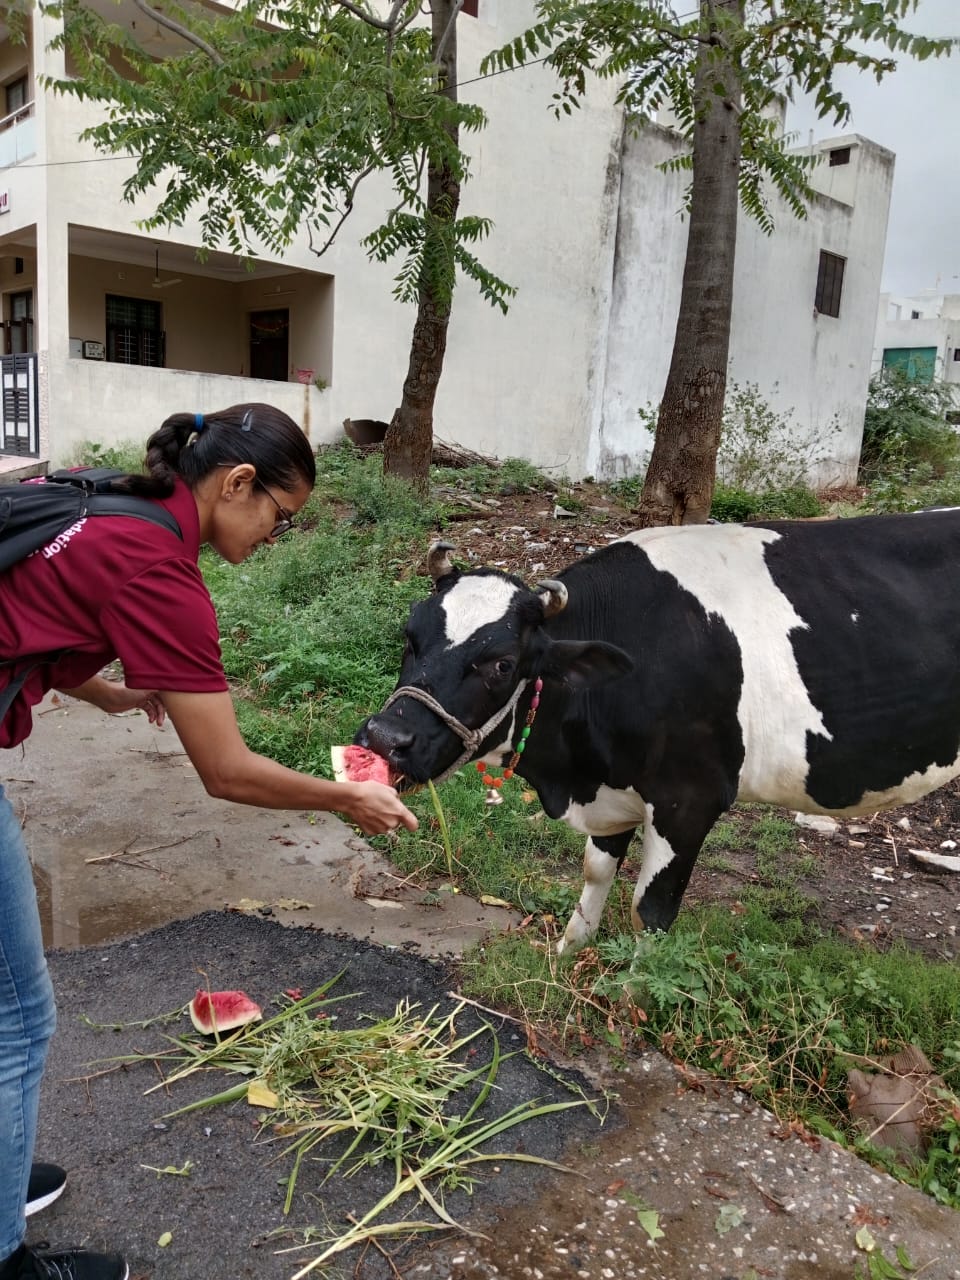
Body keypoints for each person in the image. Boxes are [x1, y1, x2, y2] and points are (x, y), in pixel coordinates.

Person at [0, 403, 417, 1280]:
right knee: (21, 1016)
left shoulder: (114, 502)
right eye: (280, 516)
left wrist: (108, 693)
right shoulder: (161, 570)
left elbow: (39, 612)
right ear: (236, 484)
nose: (278, 537)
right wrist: (345, 800)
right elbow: (224, 771)